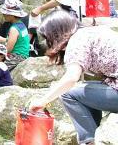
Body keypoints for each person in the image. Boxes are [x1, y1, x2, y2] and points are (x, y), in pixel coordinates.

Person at [28, 10, 118, 144]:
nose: (47, 42)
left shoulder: (77, 41)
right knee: (84, 89)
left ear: (56, 33)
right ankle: (96, 133)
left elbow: (71, 77)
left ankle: (88, 141)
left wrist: (43, 100)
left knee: (68, 93)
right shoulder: (90, 32)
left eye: (47, 38)